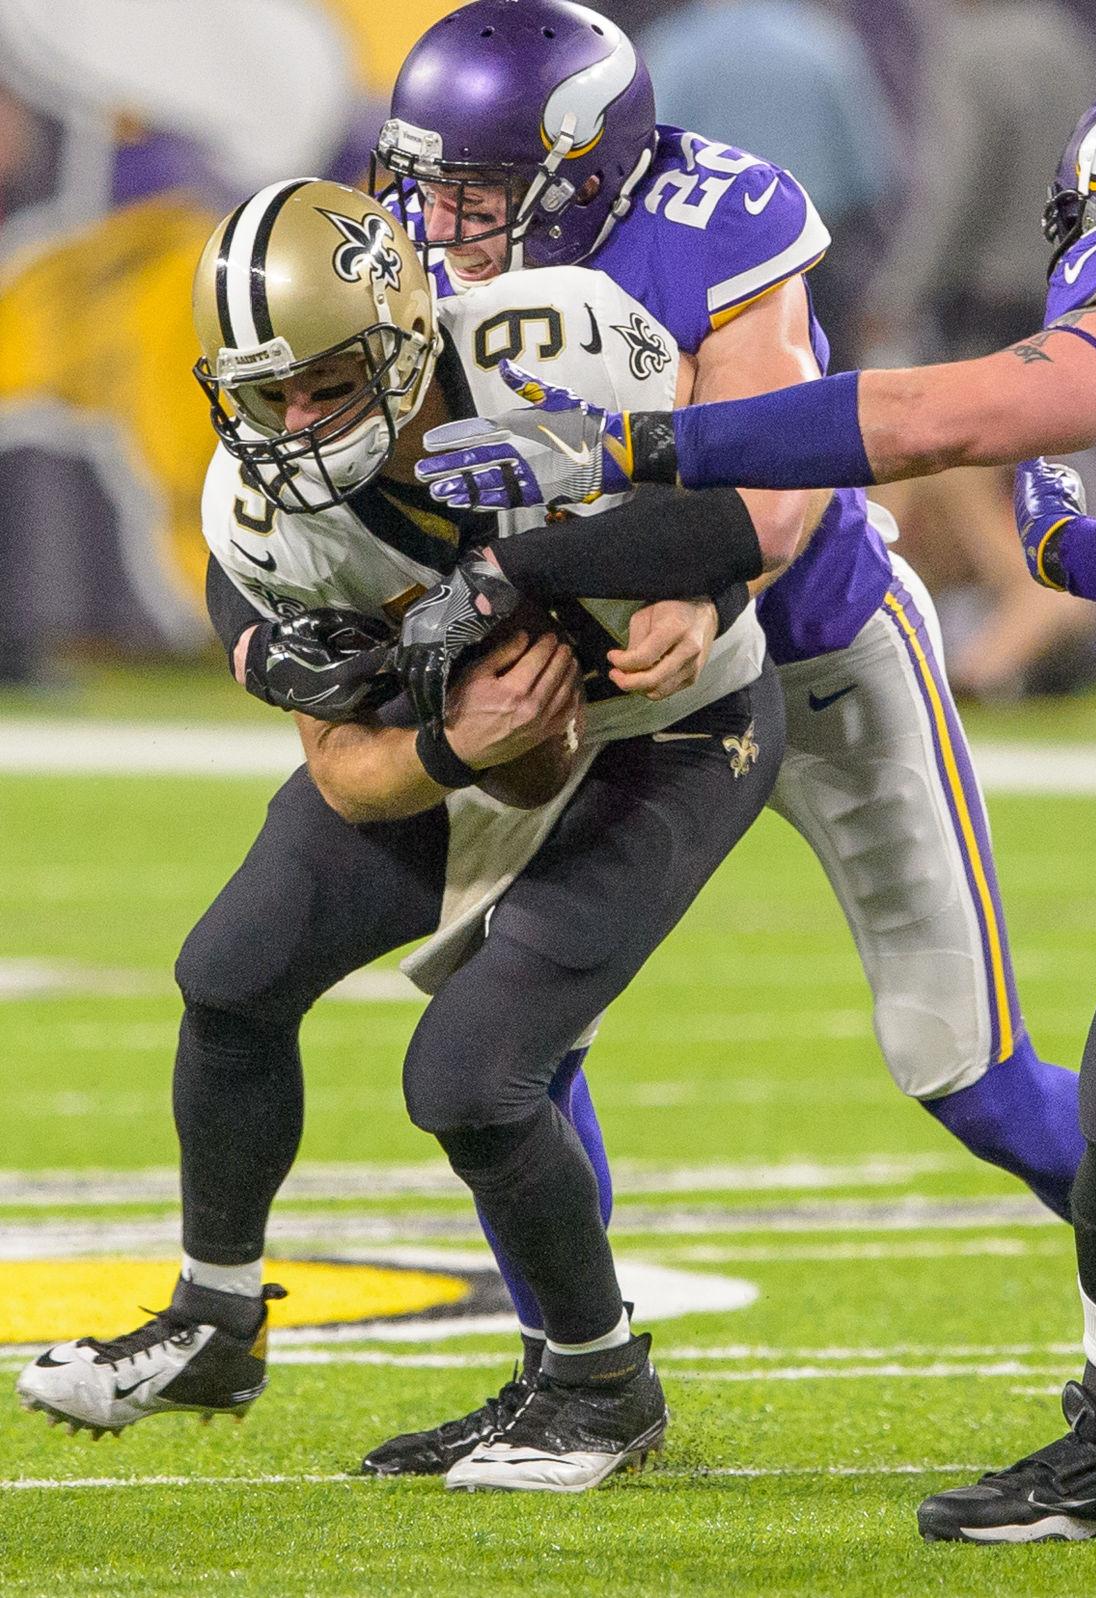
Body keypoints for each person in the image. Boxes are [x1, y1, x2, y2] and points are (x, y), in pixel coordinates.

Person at [373, 15, 1096, 1482]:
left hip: (820, 649)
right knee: (508, 1037)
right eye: (437, 183)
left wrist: (642, 485)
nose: (446, 218)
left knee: (971, 1068)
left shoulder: (719, 221)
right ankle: (575, 1369)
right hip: (629, 685)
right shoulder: (412, 271)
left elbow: (852, 468)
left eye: (481, 187)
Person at [15, 178, 787, 1495]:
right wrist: (454, 748)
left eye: (325, 382)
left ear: (405, 332)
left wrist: (677, 592)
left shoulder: (556, 340)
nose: (297, 425)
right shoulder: (257, 518)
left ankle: (600, 1388)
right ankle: (214, 1316)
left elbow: (746, 505)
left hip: (665, 729)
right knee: (232, 972)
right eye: (267, 396)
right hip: (467, 746)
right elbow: (352, 776)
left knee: (469, 1076)